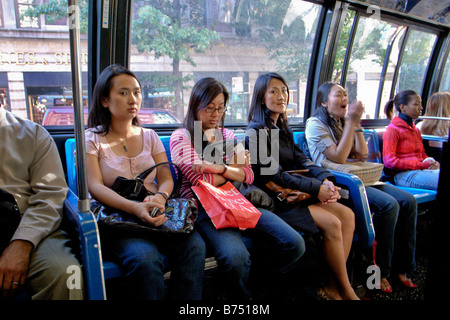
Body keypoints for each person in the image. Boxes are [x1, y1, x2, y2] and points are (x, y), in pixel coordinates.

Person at [170, 77, 305, 299]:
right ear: (195, 106)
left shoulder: (228, 135)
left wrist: (217, 167)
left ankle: (253, 286)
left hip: (237, 200)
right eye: (209, 108)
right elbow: (200, 180)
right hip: (205, 208)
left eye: (220, 108)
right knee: (235, 258)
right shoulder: (182, 136)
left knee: (294, 243)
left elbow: (248, 175)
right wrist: (232, 168)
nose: (216, 114)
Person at [85, 64, 205, 300]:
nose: (133, 99)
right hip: (117, 218)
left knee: (194, 247)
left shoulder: (149, 136)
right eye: (123, 92)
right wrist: (135, 208)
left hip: (153, 209)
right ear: (105, 101)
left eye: (137, 92)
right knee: (145, 259)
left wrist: (160, 197)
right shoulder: (92, 139)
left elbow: (167, 178)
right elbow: (95, 186)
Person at [247, 73, 359, 300]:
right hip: (277, 199)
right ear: (261, 98)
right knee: (333, 222)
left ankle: (332, 286)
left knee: (347, 216)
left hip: (297, 194)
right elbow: (275, 176)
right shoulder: (255, 132)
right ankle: (346, 291)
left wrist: (326, 179)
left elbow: (303, 161)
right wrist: (316, 188)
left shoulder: (284, 129)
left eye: (284, 90)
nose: (281, 96)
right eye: (274, 91)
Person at [306, 81, 418, 294]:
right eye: (338, 94)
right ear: (323, 101)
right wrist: (350, 123)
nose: (344, 99)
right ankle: (382, 272)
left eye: (346, 94)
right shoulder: (315, 124)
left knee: (408, 201)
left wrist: (355, 124)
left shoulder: (342, 122)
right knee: (389, 205)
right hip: (339, 181)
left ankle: (403, 267)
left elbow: (361, 154)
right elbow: (338, 157)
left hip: (361, 177)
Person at [0, 102, 83, 300]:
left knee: (68, 272)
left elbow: (51, 195)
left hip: (27, 221)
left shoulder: (33, 134)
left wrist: (23, 242)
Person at [383, 90, 440, 190]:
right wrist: (421, 165)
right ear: (402, 107)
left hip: (420, 171)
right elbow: (389, 161)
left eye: (421, 104)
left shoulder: (415, 130)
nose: (421, 108)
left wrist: (430, 162)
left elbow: (421, 154)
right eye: (416, 104)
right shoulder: (392, 130)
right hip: (404, 175)